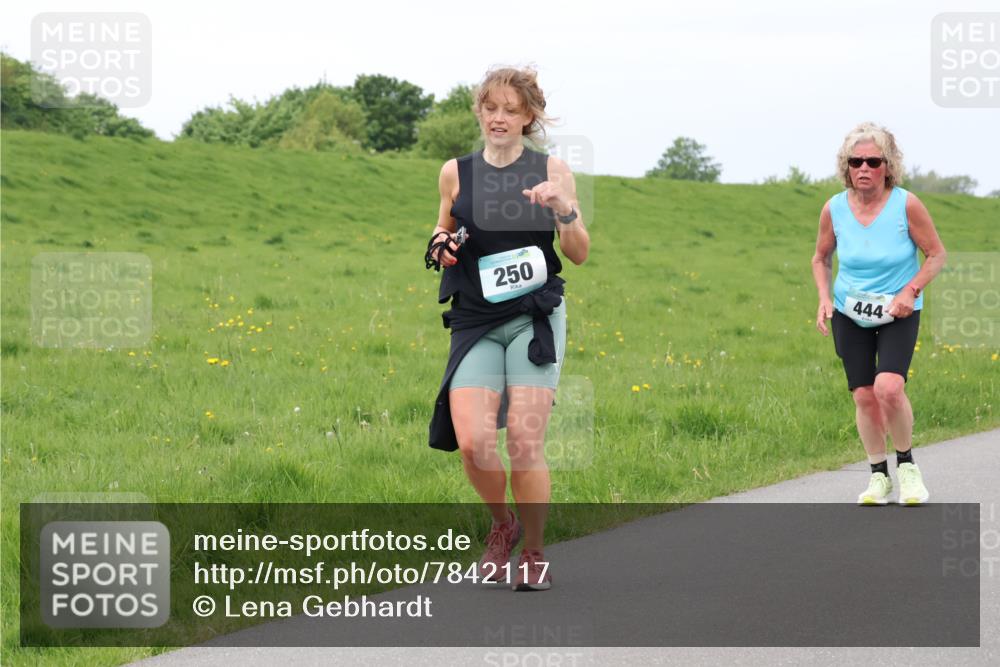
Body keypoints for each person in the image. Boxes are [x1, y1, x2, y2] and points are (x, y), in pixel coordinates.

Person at [424, 66, 589, 590]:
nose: (498, 118)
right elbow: (442, 226)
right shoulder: (455, 172)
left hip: (532, 316)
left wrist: (564, 210)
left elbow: (579, 253)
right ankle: (503, 525)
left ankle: (535, 552)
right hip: (474, 318)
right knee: (473, 443)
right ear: (479, 111)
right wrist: (439, 245)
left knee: (523, 438)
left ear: (529, 118)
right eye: (490, 108)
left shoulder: (552, 170)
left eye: (510, 110)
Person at [811, 122, 946, 505]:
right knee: (865, 396)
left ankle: (907, 468)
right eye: (856, 161)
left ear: (888, 165)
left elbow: (936, 255)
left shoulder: (906, 204)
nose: (864, 168)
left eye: (873, 160)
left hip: (899, 311)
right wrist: (824, 297)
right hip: (850, 311)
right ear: (847, 166)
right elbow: (821, 257)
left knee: (889, 387)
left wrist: (910, 289)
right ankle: (878, 477)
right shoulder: (834, 208)